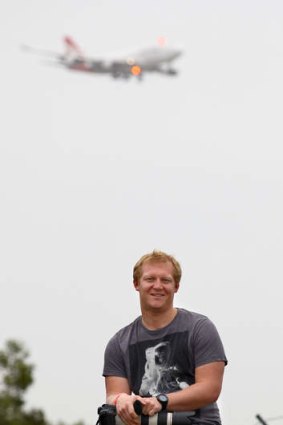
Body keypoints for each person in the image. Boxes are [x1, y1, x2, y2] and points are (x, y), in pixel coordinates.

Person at [102, 250, 227, 425]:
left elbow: (210, 389)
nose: (158, 286)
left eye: (166, 280)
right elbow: (114, 395)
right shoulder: (119, 343)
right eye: (150, 279)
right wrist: (120, 400)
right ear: (136, 284)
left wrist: (161, 400)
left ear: (176, 286)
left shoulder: (199, 328)